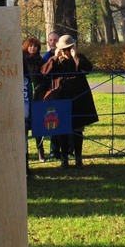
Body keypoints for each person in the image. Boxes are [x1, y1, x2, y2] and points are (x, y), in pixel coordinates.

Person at [41, 35, 98, 169]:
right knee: (63, 129)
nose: (66, 52)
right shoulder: (56, 61)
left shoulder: (78, 58)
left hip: (78, 99)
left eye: (69, 49)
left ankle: (78, 158)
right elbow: (44, 71)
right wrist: (55, 57)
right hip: (62, 99)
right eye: (64, 50)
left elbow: (87, 68)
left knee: (77, 129)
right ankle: (64, 158)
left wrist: (75, 56)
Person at [22, 37, 48, 163]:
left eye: (35, 46)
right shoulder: (22, 60)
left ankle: (40, 151)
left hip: (37, 95)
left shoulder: (41, 61)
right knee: (25, 125)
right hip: (25, 95)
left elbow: (45, 78)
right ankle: (25, 153)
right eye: (30, 46)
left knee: (38, 124)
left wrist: (39, 87)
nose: (33, 48)